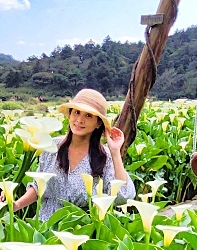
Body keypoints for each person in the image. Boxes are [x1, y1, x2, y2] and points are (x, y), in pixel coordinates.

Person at [8, 88, 136, 219]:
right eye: (77, 112)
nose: (79, 120)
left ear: (98, 123)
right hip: (45, 226)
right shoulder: (51, 147)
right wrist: (16, 205)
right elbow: (38, 187)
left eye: (88, 115)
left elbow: (123, 197)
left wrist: (115, 151)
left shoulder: (104, 156)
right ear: (69, 114)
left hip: (82, 229)